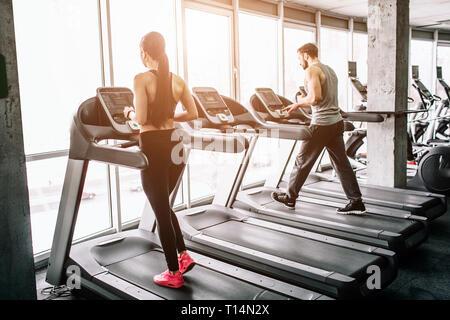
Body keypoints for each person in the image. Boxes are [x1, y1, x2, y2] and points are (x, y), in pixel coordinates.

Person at [123, 32, 198, 288]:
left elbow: (141, 119)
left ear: (144, 52)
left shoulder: (141, 79)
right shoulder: (177, 81)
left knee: (160, 210)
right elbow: (193, 112)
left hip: (153, 146)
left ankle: (173, 273)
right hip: (176, 143)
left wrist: (128, 112)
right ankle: (183, 255)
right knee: (163, 204)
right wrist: (169, 116)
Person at [271, 43, 366, 215]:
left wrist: (299, 101)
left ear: (306, 55)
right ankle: (356, 200)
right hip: (335, 123)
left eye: (299, 58)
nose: (300, 63)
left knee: (302, 162)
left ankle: (290, 197)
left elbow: (315, 98)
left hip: (321, 124)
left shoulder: (311, 70)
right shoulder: (329, 69)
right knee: (342, 164)